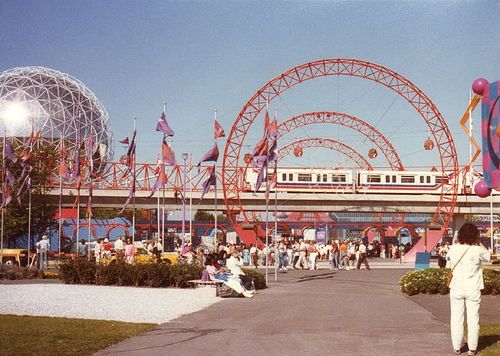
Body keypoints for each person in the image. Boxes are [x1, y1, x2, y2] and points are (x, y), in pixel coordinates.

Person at [448, 223, 490, 355]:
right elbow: (489, 257)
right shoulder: (477, 250)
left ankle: (457, 346)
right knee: (473, 318)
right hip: (473, 287)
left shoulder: (453, 249)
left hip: (456, 287)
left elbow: (448, 258)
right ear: (475, 236)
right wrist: (479, 243)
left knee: (456, 317)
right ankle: (472, 348)